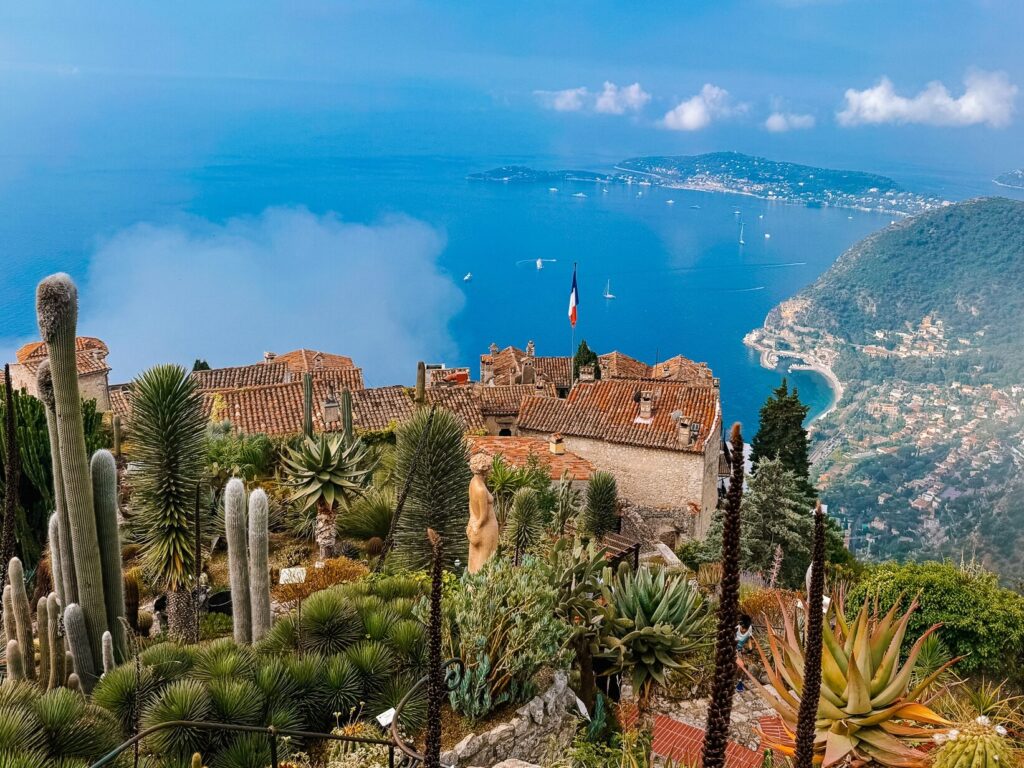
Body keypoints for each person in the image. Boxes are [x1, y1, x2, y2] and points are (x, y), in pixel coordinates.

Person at [735, 614, 754, 692]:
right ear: (740, 625)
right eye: (742, 628)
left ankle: (738, 680)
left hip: (739, 650)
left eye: (745, 629)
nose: (743, 630)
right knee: (741, 665)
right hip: (731, 649)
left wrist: (750, 647)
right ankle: (738, 681)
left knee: (740, 667)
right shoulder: (735, 629)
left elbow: (749, 638)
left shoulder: (749, 628)